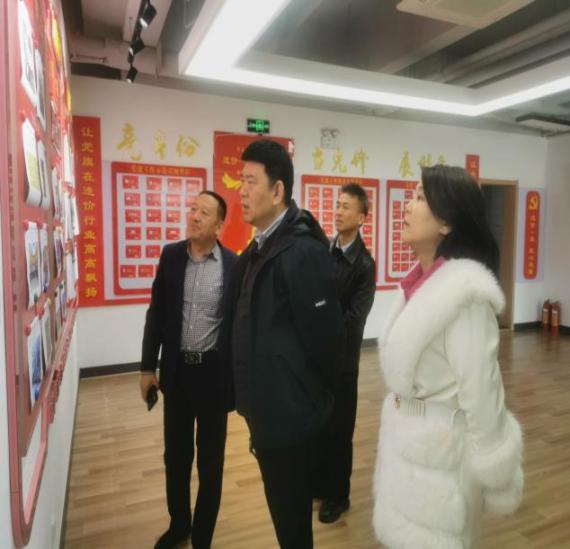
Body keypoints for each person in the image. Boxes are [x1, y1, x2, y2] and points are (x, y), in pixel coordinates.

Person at [373, 165, 524, 548]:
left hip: (442, 466)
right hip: (405, 454)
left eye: (420, 198)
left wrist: (497, 472)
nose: (408, 205)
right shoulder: (415, 285)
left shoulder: (465, 296)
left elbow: (483, 396)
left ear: (446, 223)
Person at [229, 139, 343, 549]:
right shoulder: (262, 247)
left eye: (250, 182)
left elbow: (327, 341)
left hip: (290, 418)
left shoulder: (302, 252)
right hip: (268, 412)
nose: (241, 191)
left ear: (277, 191)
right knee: (284, 517)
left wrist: (307, 401)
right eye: (240, 181)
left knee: (292, 524)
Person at [140, 191, 237, 549]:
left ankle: (203, 537)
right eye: (193, 208)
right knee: (176, 458)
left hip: (213, 376)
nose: (194, 216)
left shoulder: (233, 265)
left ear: (219, 224)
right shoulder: (171, 256)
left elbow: (238, 326)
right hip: (177, 374)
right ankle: (179, 524)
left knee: (211, 465)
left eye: (204, 212)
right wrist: (147, 367)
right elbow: (156, 313)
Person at [314, 183, 376, 523]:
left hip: (343, 362)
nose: (338, 212)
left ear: (362, 217)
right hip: (316, 359)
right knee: (318, 425)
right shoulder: (324, 250)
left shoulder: (364, 265)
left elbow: (354, 319)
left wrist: (320, 321)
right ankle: (321, 485)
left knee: (340, 430)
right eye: (337, 205)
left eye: (346, 206)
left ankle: (339, 496)